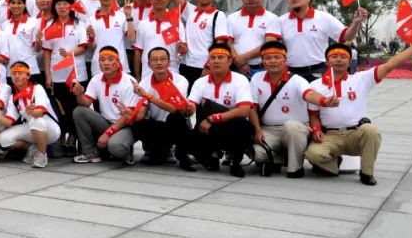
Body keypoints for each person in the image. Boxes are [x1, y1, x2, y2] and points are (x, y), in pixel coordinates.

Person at [304, 32, 412, 186]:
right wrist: (317, 129)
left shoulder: (361, 79)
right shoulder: (315, 86)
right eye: (334, 56)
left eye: (343, 57)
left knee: (371, 130)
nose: (338, 60)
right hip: (330, 135)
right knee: (312, 154)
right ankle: (333, 165)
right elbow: (313, 114)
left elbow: (390, 64)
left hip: (356, 133)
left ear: (349, 61)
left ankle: (366, 173)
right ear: (327, 61)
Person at [248, 40, 322, 178]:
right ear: (263, 62)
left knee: (291, 126)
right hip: (269, 129)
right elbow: (252, 107)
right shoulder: (256, 78)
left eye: (277, 57)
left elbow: (309, 94)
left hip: (297, 128)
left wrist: (324, 101)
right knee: (257, 154)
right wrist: (257, 130)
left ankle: (295, 168)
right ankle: (279, 158)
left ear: (285, 60)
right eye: (268, 58)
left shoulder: (297, 80)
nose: (272, 61)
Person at [160, 0, 232, 87]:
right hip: (186, 64)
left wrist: (208, 65)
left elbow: (220, 43)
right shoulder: (190, 10)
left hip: (204, 67)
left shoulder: (218, 15)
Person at [183, 42, 255, 176]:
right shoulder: (200, 82)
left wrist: (213, 118)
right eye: (213, 57)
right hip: (206, 129)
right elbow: (191, 106)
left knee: (244, 126)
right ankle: (211, 155)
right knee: (182, 133)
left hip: (231, 128)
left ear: (229, 61)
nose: (216, 61)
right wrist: (188, 109)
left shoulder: (240, 80)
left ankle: (235, 160)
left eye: (220, 57)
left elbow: (244, 110)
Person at [275, 0, 366, 81]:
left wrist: (356, 22)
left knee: (322, 97)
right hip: (291, 73)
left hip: (318, 72)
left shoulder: (324, 17)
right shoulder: (281, 21)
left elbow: (346, 37)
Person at [70, 46, 146, 164]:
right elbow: (86, 103)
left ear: (118, 62)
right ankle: (90, 153)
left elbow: (127, 117)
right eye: (102, 59)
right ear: (98, 63)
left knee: (116, 147)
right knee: (79, 111)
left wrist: (107, 134)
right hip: (105, 122)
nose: (106, 63)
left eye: (110, 59)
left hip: (125, 125)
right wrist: (79, 95)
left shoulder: (128, 82)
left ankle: (125, 151)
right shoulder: (96, 79)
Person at [41, 0, 89, 150]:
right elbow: (47, 52)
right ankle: (63, 136)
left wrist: (69, 54)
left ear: (71, 6)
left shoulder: (78, 24)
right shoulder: (50, 26)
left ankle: (75, 137)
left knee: (76, 107)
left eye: (65, 3)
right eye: (58, 4)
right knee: (62, 108)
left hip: (76, 73)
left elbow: (83, 47)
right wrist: (48, 75)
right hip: (57, 74)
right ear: (54, 7)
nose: (62, 7)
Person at [132, 47, 194, 166]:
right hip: (156, 124)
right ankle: (155, 150)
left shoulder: (181, 80)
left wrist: (149, 96)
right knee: (138, 125)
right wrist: (131, 116)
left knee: (176, 117)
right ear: (149, 64)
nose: (159, 63)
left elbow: (174, 108)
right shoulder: (144, 83)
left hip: (176, 123)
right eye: (154, 60)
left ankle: (182, 153)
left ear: (169, 62)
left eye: (163, 59)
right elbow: (142, 113)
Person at [0, 62, 61, 168]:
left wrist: (32, 112)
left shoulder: (37, 88)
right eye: (14, 73)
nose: (17, 76)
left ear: (28, 75)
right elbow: (9, 121)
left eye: (21, 73)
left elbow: (40, 112)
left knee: (36, 120)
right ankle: (33, 148)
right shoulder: (14, 97)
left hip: (50, 128)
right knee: (3, 139)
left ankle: (42, 156)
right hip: (32, 126)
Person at [131, 0, 185, 81]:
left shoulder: (177, 23)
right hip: (147, 72)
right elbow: (138, 52)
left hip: (171, 71)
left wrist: (182, 48)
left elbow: (183, 50)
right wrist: (137, 76)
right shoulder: (143, 24)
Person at [227, 0, 279, 76]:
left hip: (262, 69)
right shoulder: (231, 18)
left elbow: (269, 44)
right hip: (235, 68)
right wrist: (240, 63)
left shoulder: (272, 18)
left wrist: (243, 59)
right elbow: (228, 43)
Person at [87, 0, 131, 76]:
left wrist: (129, 17)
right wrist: (91, 38)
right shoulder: (91, 20)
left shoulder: (121, 15)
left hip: (120, 64)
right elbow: (91, 47)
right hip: (99, 67)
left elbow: (131, 38)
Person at [3, 0, 42, 85]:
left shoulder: (33, 22)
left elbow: (37, 49)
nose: (16, 6)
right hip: (10, 71)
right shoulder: (5, 25)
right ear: (9, 5)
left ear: (24, 5)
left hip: (29, 70)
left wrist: (38, 41)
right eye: (13, 3)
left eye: (19, 3)